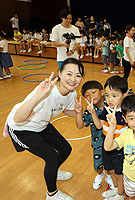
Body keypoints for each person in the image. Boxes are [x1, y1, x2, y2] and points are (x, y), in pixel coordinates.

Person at [4, 58, 85, 200]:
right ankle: (52, 194)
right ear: (60, 73)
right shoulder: (47, 92)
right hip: (21, 128)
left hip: (41, 124)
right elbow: (18, 119)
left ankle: (54, 170)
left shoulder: (71, 93)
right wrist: (39, 95)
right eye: (69, 74)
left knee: (66, 149)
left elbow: (66, 109)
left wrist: (79, 112)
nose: (73, 79)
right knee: (51, 157)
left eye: (78, 75)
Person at [75, 80, 114, 190]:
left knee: (110, 163)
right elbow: (80, 125)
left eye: (93, 92)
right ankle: (100, 174)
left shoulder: (110, 104)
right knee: (97, 164)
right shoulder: (89, 110)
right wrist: (79, 112)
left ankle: (109, 176)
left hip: (112, 141)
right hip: (98, 142)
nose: (90, 96)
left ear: (102, 92)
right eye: (87, 95)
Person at [97, 75, 128, 199]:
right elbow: (99, 124)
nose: (109, 99)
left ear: (124, 95)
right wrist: (93, 112)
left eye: (114, 96)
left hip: (119, 148)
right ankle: (115, 189)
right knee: (110, 170)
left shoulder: (126, 112)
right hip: (106, 144)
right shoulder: (107, 109)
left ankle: (120, 194)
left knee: (119, 173)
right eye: (107, 95)